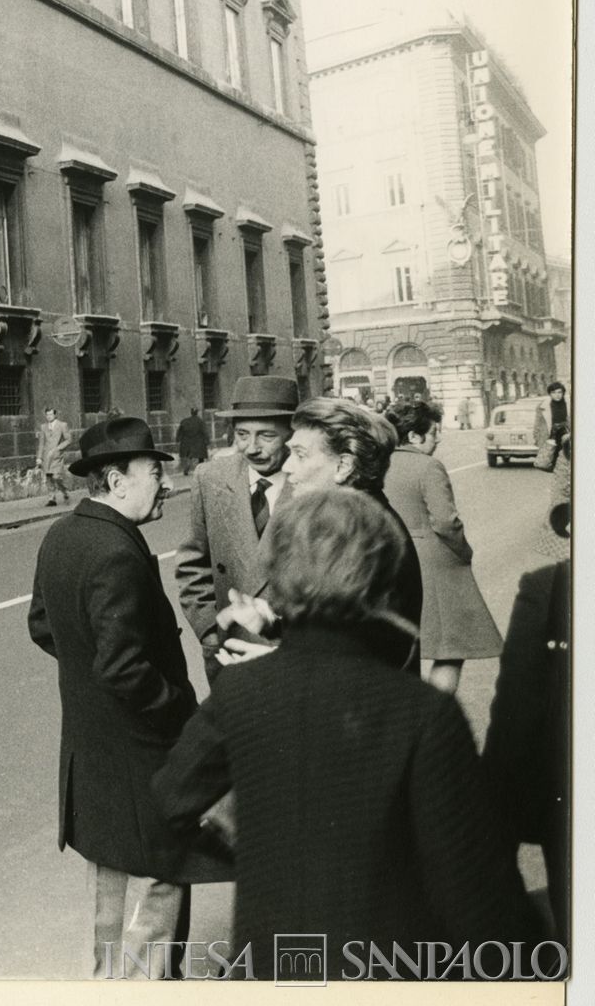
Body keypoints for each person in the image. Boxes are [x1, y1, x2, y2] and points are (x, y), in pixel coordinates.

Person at [153, 487, 542, 977]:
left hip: (270, 964)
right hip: (388, 969)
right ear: (379, 579)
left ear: (280, 575)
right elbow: (475, 894)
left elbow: (171, 800)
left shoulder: (242, 692)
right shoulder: (423, 713)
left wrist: (250, 849)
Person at [28, 417, 228, 979]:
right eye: (154, 471)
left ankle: (109, 982)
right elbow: (124, 667)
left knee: (112, 872)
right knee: (163, 874)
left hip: (93, 749)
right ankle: (145, 986)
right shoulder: (117, 550)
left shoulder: (63, 534)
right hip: (142, 748)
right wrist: (182, 715)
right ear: (117, 481)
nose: (165, 482)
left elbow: (43, 625)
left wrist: (90, 677)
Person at [216, 396, 424, 674]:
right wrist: (273, 623)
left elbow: (373, 659)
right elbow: (338, 631)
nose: (288, 467)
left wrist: (279, 666)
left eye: (300, 455)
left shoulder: (367, 539)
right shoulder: (350, 524)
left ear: (343, 466)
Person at [482, 441, 571, 946]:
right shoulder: (547, 590)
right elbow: (515, 708)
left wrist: (496, 816)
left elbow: (514, 710)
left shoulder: (549, 587)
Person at [173, 377, 297, 684]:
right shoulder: (210, 477)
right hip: (230, 652)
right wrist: (210, 632)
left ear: (293, 434)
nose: (251, 448)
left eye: (266, 436)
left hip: (294, 656)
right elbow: (192, 565)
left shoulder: (313, 483)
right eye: (242, 434)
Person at [383, 398, 501, 693]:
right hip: (434, 566)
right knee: (451, 647)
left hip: (389, 561)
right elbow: (446, 523)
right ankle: (435, 716)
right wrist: (464, 553)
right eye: (434, 432)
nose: (438, 438)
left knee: (402, 648)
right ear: (414, 436)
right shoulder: (428, 466)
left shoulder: (377, 461)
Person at [36, 406, 75, 507]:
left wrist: (58, 448)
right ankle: (51, 499)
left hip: (57, 455)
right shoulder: (43, 427)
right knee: (48, 477)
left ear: (55, 415)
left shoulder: (62, 425)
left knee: (56, 476)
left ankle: (65, 492)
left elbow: (68, 440)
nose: (48, 416)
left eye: (50, 414)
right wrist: (39, 457)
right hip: (46, 456)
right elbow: (41, 443)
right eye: (47, 415)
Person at [537, 381, 569, 471]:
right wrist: (537, 438)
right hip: (551, 434)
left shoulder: (569, 404)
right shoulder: (544, 406)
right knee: (550, 458)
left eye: (559, 392)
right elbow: (538, 424)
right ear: (550, 394)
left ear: (563, 393)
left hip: (566, 433)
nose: (557, 395)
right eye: (553, 393)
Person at [175, 407, 209, 478]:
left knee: (189, 455)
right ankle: (200, 470)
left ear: (191, 412)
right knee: (201, 457)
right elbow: (205, 432)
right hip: (198, 442)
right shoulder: (200, 421)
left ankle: (187, 467)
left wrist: (178, 439)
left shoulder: (185, 421)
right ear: (197, 412)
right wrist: (207, 440)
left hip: (188, 442)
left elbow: (180, 431)